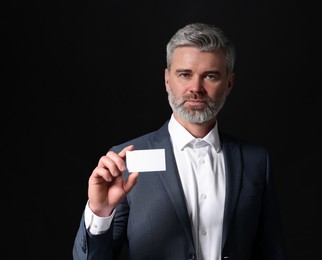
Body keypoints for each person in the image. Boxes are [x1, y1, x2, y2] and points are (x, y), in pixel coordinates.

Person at [73, 22, 287, 260]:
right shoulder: (125, 160)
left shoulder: (256, 161)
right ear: (167, 80)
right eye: (185, 74)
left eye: (210, 76)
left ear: (229, 84)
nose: (196, 88)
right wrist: (100, 213)